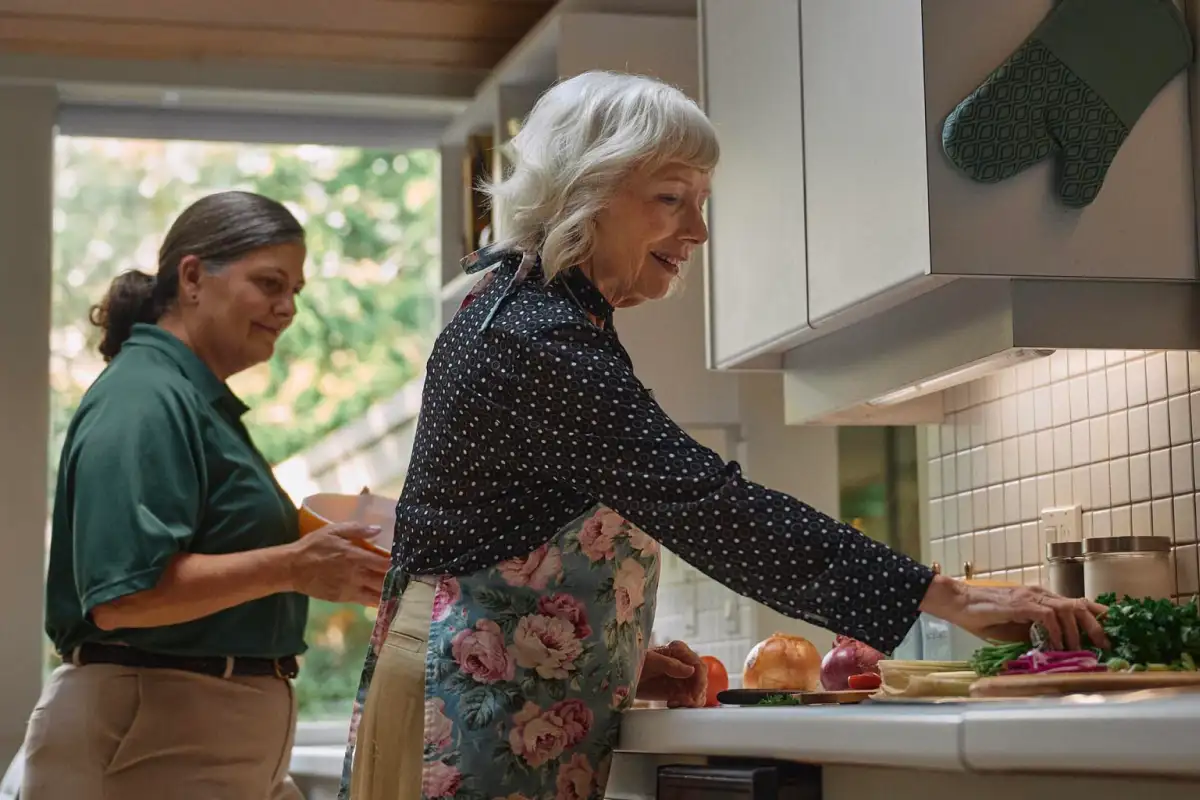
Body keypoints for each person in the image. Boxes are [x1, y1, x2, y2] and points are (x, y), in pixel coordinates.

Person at [340, 71, 1108, 800]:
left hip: (486, 688)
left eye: (701, 201)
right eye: (672, 198)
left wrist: (609, 664)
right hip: (466, 703)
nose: (699, 230)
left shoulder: (532, 315)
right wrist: (951, 596)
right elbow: (709, 505)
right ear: (588, 192)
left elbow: (498, 538)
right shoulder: (537, 340)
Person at [21, 191, 391, 800]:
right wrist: (294, 566)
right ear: (192, 277)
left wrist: (318, 549)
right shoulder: (144, 396)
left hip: (203, 734)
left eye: (295, 290)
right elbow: (125, 596)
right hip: (151, 729)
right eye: (270, 283)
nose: (288, 307)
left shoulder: (192, 399)